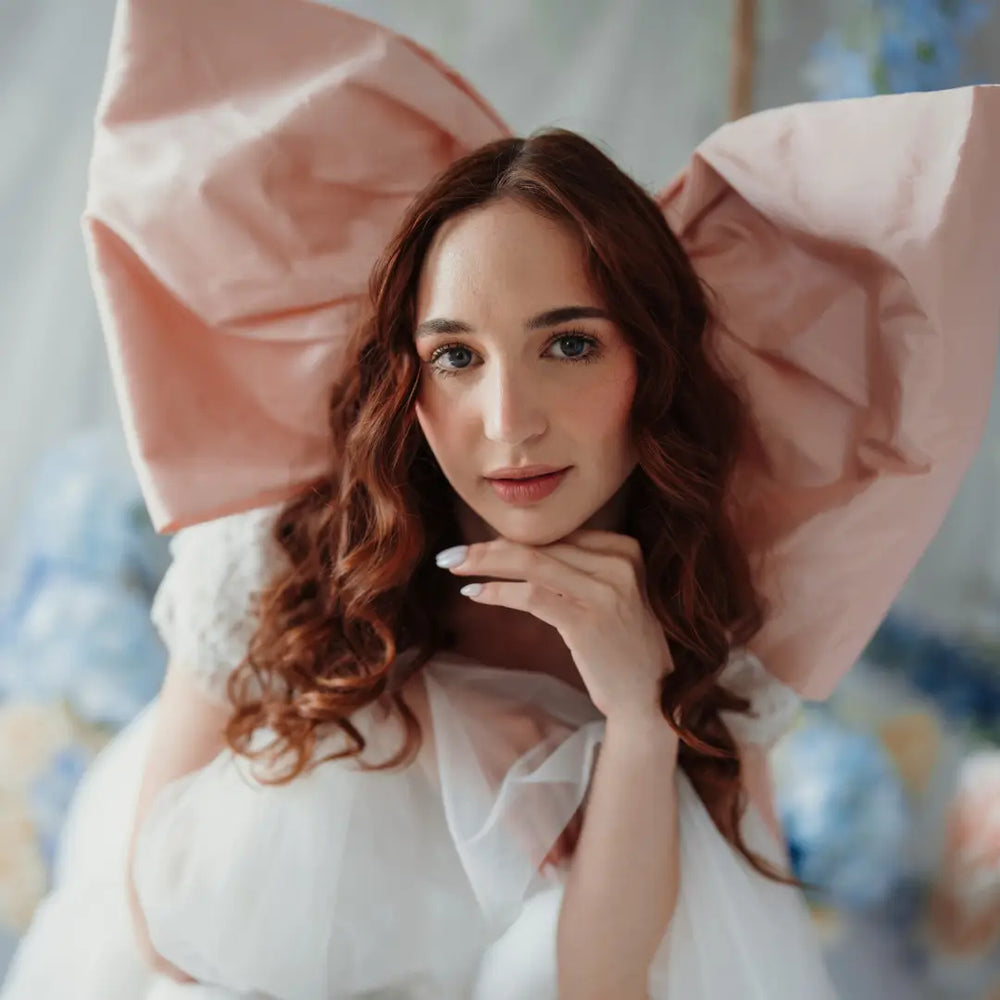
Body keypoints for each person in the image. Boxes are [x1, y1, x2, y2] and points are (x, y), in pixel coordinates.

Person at [3, 1, 1000, 997]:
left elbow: (604, 982)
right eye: (454, 357)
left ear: (648, 365)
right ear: (407, 383)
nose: (508, 419)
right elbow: (165, 933)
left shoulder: (710, 619)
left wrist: (637, 715)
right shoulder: (283, 557)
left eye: (568, 345)